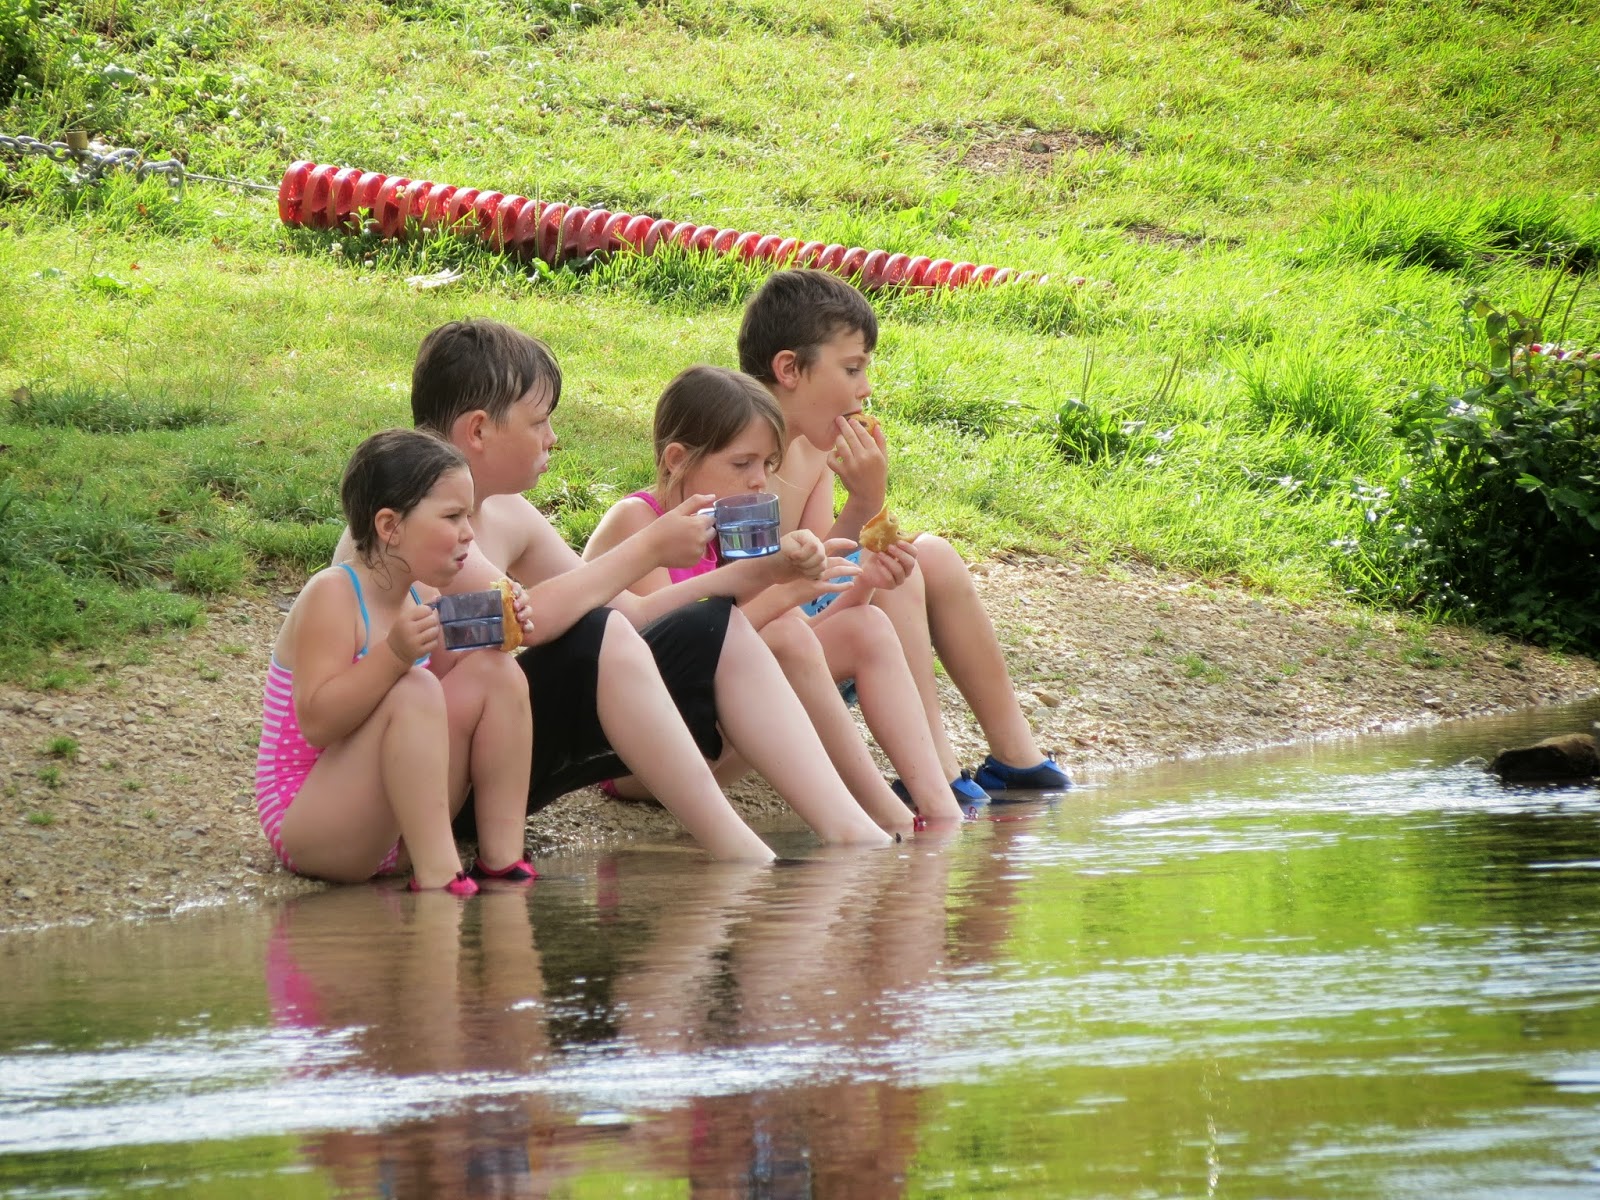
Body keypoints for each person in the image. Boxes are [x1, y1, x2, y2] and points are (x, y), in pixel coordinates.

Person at [335, 319, 890, 859]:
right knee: (603, 633)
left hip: (483, 765)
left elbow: (636, 612)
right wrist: (648, 548)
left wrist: (763, 574)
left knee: (702, 626)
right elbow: (524, 620)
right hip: (417, 788)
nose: (552, 438)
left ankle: (843, 835)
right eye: (539, 422)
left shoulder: (507, 511)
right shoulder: (417, 524)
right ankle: (745, 854)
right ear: (478, 431)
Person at [737, 268, 1073, 802]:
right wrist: (867, 503)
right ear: (789, 369)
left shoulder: (814, 451)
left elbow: (826, 556)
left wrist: (865, 503)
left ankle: (1015, 756)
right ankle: (935, 770)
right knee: (893, 577)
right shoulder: (742, 462)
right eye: (852, 369)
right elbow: (770, 590)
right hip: (770, 651)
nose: (865, 389)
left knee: (932, 554)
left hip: (807, 623)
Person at [583, 364, 965, 829]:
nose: (759, 481)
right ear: (677, 459)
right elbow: (678, 651)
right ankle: (888, 818)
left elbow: (808, 644)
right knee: (784, 632)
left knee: (865, 627)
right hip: (639, 754)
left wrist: (865, 582)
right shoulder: (639, 522)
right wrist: (786, 592)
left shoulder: (727, 527)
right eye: (742, 463)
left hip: (717, 728)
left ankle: (939, 813)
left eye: (767, 464)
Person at [256, 428, 537, 896]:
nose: (469, 533)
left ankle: (502, 861)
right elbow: (318, 723)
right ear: (390, 526)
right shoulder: (333, 594)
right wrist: (394, 656)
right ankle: (439, 877)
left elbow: (448, 694)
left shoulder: (421, 594)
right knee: (413, 688)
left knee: (496, 673)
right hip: (313, 824)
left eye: (468, 516)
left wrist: (502, 627)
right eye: (452, 516)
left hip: (393, 829)